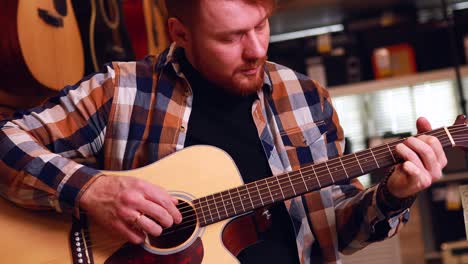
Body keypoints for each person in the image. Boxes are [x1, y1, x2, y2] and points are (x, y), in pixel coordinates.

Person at [0, 0, 447, 263]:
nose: (256, 50)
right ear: (180, 33)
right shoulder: (120, 90)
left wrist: (394, 192)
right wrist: (92, 191)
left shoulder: (308, 99)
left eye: (261, 26)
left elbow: (340, 232)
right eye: (231, 37)